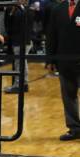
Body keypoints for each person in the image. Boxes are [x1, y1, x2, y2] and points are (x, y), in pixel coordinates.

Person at [46, 0, 80, 141]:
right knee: (68, 96)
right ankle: (74, 129)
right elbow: (52, 35)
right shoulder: (58, 9)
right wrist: (50, 59)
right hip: (64, 61)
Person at [4, 0, 34, 94]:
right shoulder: (15, 9)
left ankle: (18, 85)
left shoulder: (26, 10)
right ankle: (24, 84)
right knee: (22, 63)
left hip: (23, 41)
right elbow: (8, 24)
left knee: (20, 63)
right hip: (20, 40)